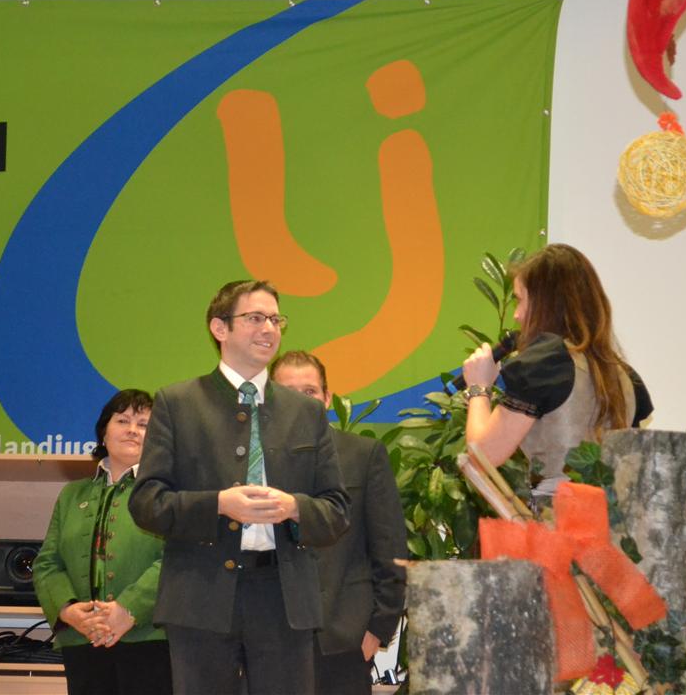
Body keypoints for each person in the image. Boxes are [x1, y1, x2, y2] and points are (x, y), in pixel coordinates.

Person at [129, 279, 349, 695]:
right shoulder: (177, 404)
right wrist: (218, 504)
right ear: (220, 328)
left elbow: (337, 510)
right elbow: (146, 503)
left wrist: (294, 507)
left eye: (276, 320)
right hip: (199, 597)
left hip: (284, 598)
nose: (269, 329)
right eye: (255, 318)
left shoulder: (306, 412)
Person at [461, 244, 653, 504]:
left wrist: (478, 387)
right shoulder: (623, 374)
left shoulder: (545, 363)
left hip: (558, 522)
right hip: (614, 523)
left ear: (545, 304)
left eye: (520, 300)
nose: (517, 315)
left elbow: (483, 455)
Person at [270, 351, 407, 695]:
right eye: (287, 393)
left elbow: (390, 546)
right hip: (269, 638)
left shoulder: (364, 455)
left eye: (310, 392)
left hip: (345, 638)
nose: (301, 403)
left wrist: (378, 628)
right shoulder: (253, 463)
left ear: (327, 398)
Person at [32, 389, 171, 695]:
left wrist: (128, 610)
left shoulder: (168, 493)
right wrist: (68, 611)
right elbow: (47, 564)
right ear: (103, 433)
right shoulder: (72, 494)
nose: (133, 430)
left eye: (144, 424)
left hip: (150, 638)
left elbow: (177, 558)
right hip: (82, 640)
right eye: (122, 420)